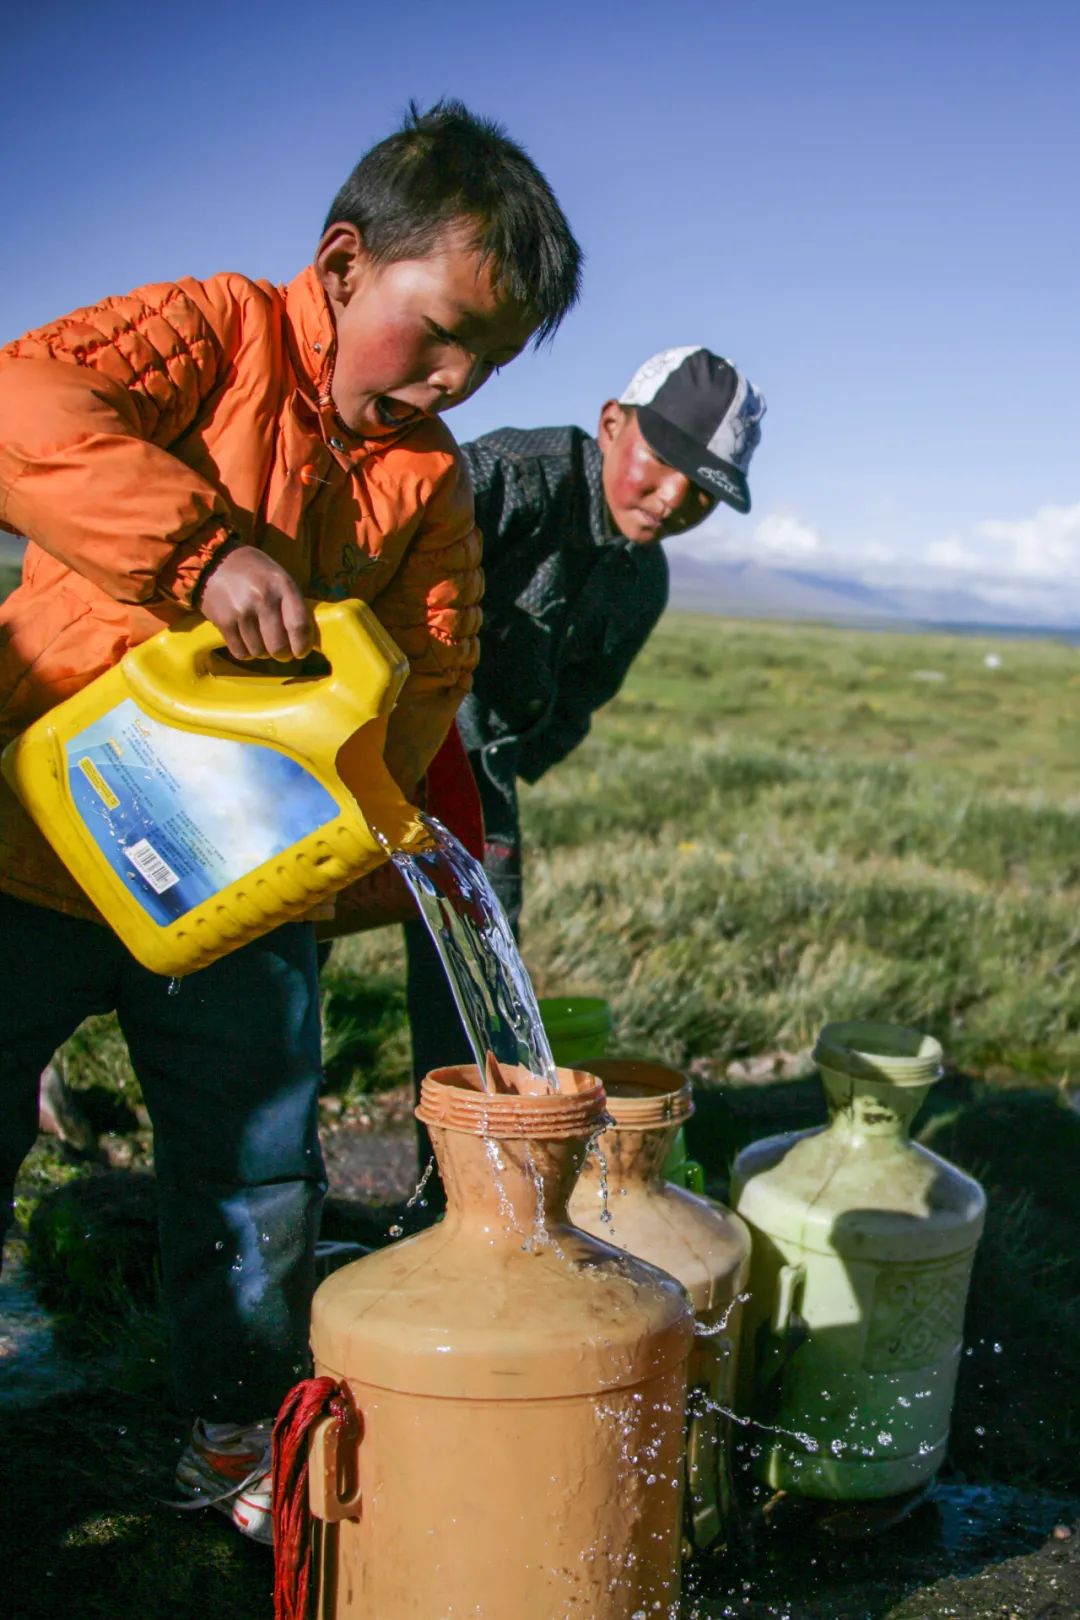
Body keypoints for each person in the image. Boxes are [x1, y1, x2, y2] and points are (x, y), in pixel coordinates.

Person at [0, 100, 581, 1544]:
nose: (451, 380)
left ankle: (229, 1434)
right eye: (437, 333)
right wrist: (202, 551)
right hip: (34, 843)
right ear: (339, 264)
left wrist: (356, 857)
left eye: (486, 364)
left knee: (256, 1167)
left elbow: (431, 671)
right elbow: (23, 405)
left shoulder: (429, 480)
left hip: (238, 887)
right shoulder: (212, 333)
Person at [403, 347, 766, 1198]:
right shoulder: (515, 477)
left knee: (479, 999)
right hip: (370, 745)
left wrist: (504, 765)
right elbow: (387, 559)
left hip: (478, 782)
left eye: (703, 490)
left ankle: (452, 1206)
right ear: (611, 424)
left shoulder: (644, 581)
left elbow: (576, 703)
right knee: (288, 965)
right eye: (663, 462)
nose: (673, 498)